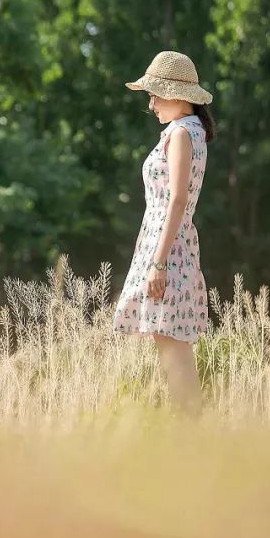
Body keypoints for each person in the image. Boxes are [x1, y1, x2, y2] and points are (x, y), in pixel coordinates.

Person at [113, 50, 215, 417]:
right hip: (169, 243)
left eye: (156, 94)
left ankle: (191, 434)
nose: (151, 103)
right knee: (170, 345)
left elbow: (177, 198)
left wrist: (158, 262)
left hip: (168, 248)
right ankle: (186, 431)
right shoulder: (189, 132)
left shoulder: (182, 134)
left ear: (177, 95)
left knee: (174, 348)